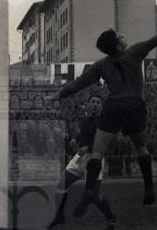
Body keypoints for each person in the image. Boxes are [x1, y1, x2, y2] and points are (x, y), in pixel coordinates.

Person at [46, 15, 157, 220]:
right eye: (118, 36)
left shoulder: (101, 64)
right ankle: (149, 187)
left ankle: (89, 190)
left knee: (97, 152)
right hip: (134, 105)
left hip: (113, 106)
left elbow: (80, 83)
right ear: (117, 45)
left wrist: (59, 94)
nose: (122, 36)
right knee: (141, 147)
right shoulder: (135, 51)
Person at [48, 94, 113, 229]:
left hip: (95, 159)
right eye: (93, 102)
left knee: (94, 196)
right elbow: (83, 133)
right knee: (61, 185)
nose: (95, 104)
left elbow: (107, 144)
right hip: (80, 158)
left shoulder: (104, 122)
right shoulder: (85, 120)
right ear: (88, 105)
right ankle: (59, 217)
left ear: (101, 107)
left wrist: (88, 148)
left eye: (98, 103)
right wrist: (76, 139)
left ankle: (110, 217)